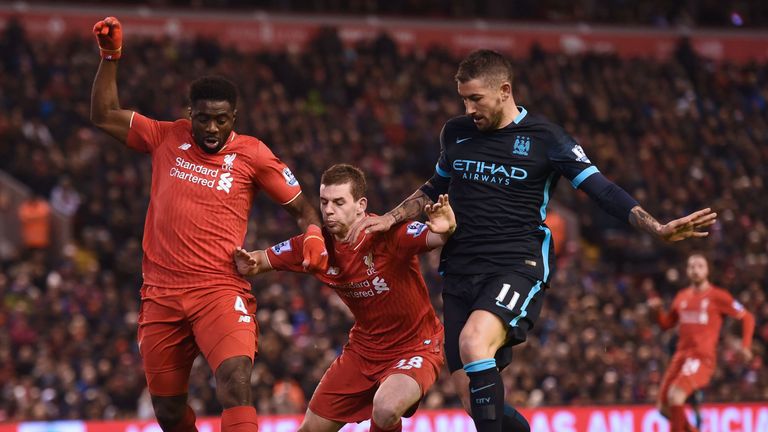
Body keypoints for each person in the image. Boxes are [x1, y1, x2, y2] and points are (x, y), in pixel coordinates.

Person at [347, 49, 718, 432]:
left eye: (476, 98)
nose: (469, 108)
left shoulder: (547, 139)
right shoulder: (456, 132)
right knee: (473, 400)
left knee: (474, 342)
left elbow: (602, 189)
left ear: (504, 91)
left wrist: (656, 227)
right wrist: (390, 217)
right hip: (460, 269)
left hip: (516, 264)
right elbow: (434, 186)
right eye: (463, 99)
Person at [90, 17, 328, 432]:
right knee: (168, 413)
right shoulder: (166, 136)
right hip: (161, 294)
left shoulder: (254, 155)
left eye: (221, 119)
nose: (212, 128)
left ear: (234, 116)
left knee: (235, 381)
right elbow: (104, 114)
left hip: (219, 289)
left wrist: (313, 235)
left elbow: (304, 208)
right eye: (203, 119)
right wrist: (110, 58)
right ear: (190, 115)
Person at [233, 164, 451, 432]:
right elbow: (260, 260)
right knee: (309, 430)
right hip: (363, 351)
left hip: (416, 345)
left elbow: (435, 235)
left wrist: (444, 228)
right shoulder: (316, 244)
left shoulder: (386, 233)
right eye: (324, 202)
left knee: (386, 408)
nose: (328, 210)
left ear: (361, 205)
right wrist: (248, 261)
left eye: (338, 202)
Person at [648, 253, 755, 432]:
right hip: (680, 356)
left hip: (701, 357)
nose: (695, 270)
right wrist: (657, 311)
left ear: (707, 271)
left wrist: (745, 346)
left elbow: (747, 317)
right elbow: (667, 324)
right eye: (692, 266)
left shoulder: (718, 296)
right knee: (663, 407)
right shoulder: (681, 296)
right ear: (687, 271)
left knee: (675, 397)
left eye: (700, 266)